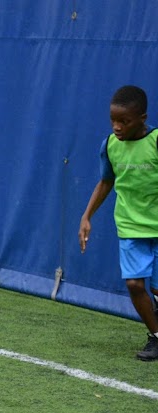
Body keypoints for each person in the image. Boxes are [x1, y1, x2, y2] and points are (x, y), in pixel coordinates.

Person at [79, 85, 158, 361]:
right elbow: (106, 182)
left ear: (142, 118)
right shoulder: (110, 145)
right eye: (113, 120)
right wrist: (86, 216)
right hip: (130, 227)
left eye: (124, 121)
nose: (117, 127)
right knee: (135, 285)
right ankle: (156, 337)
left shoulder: (156, 141)